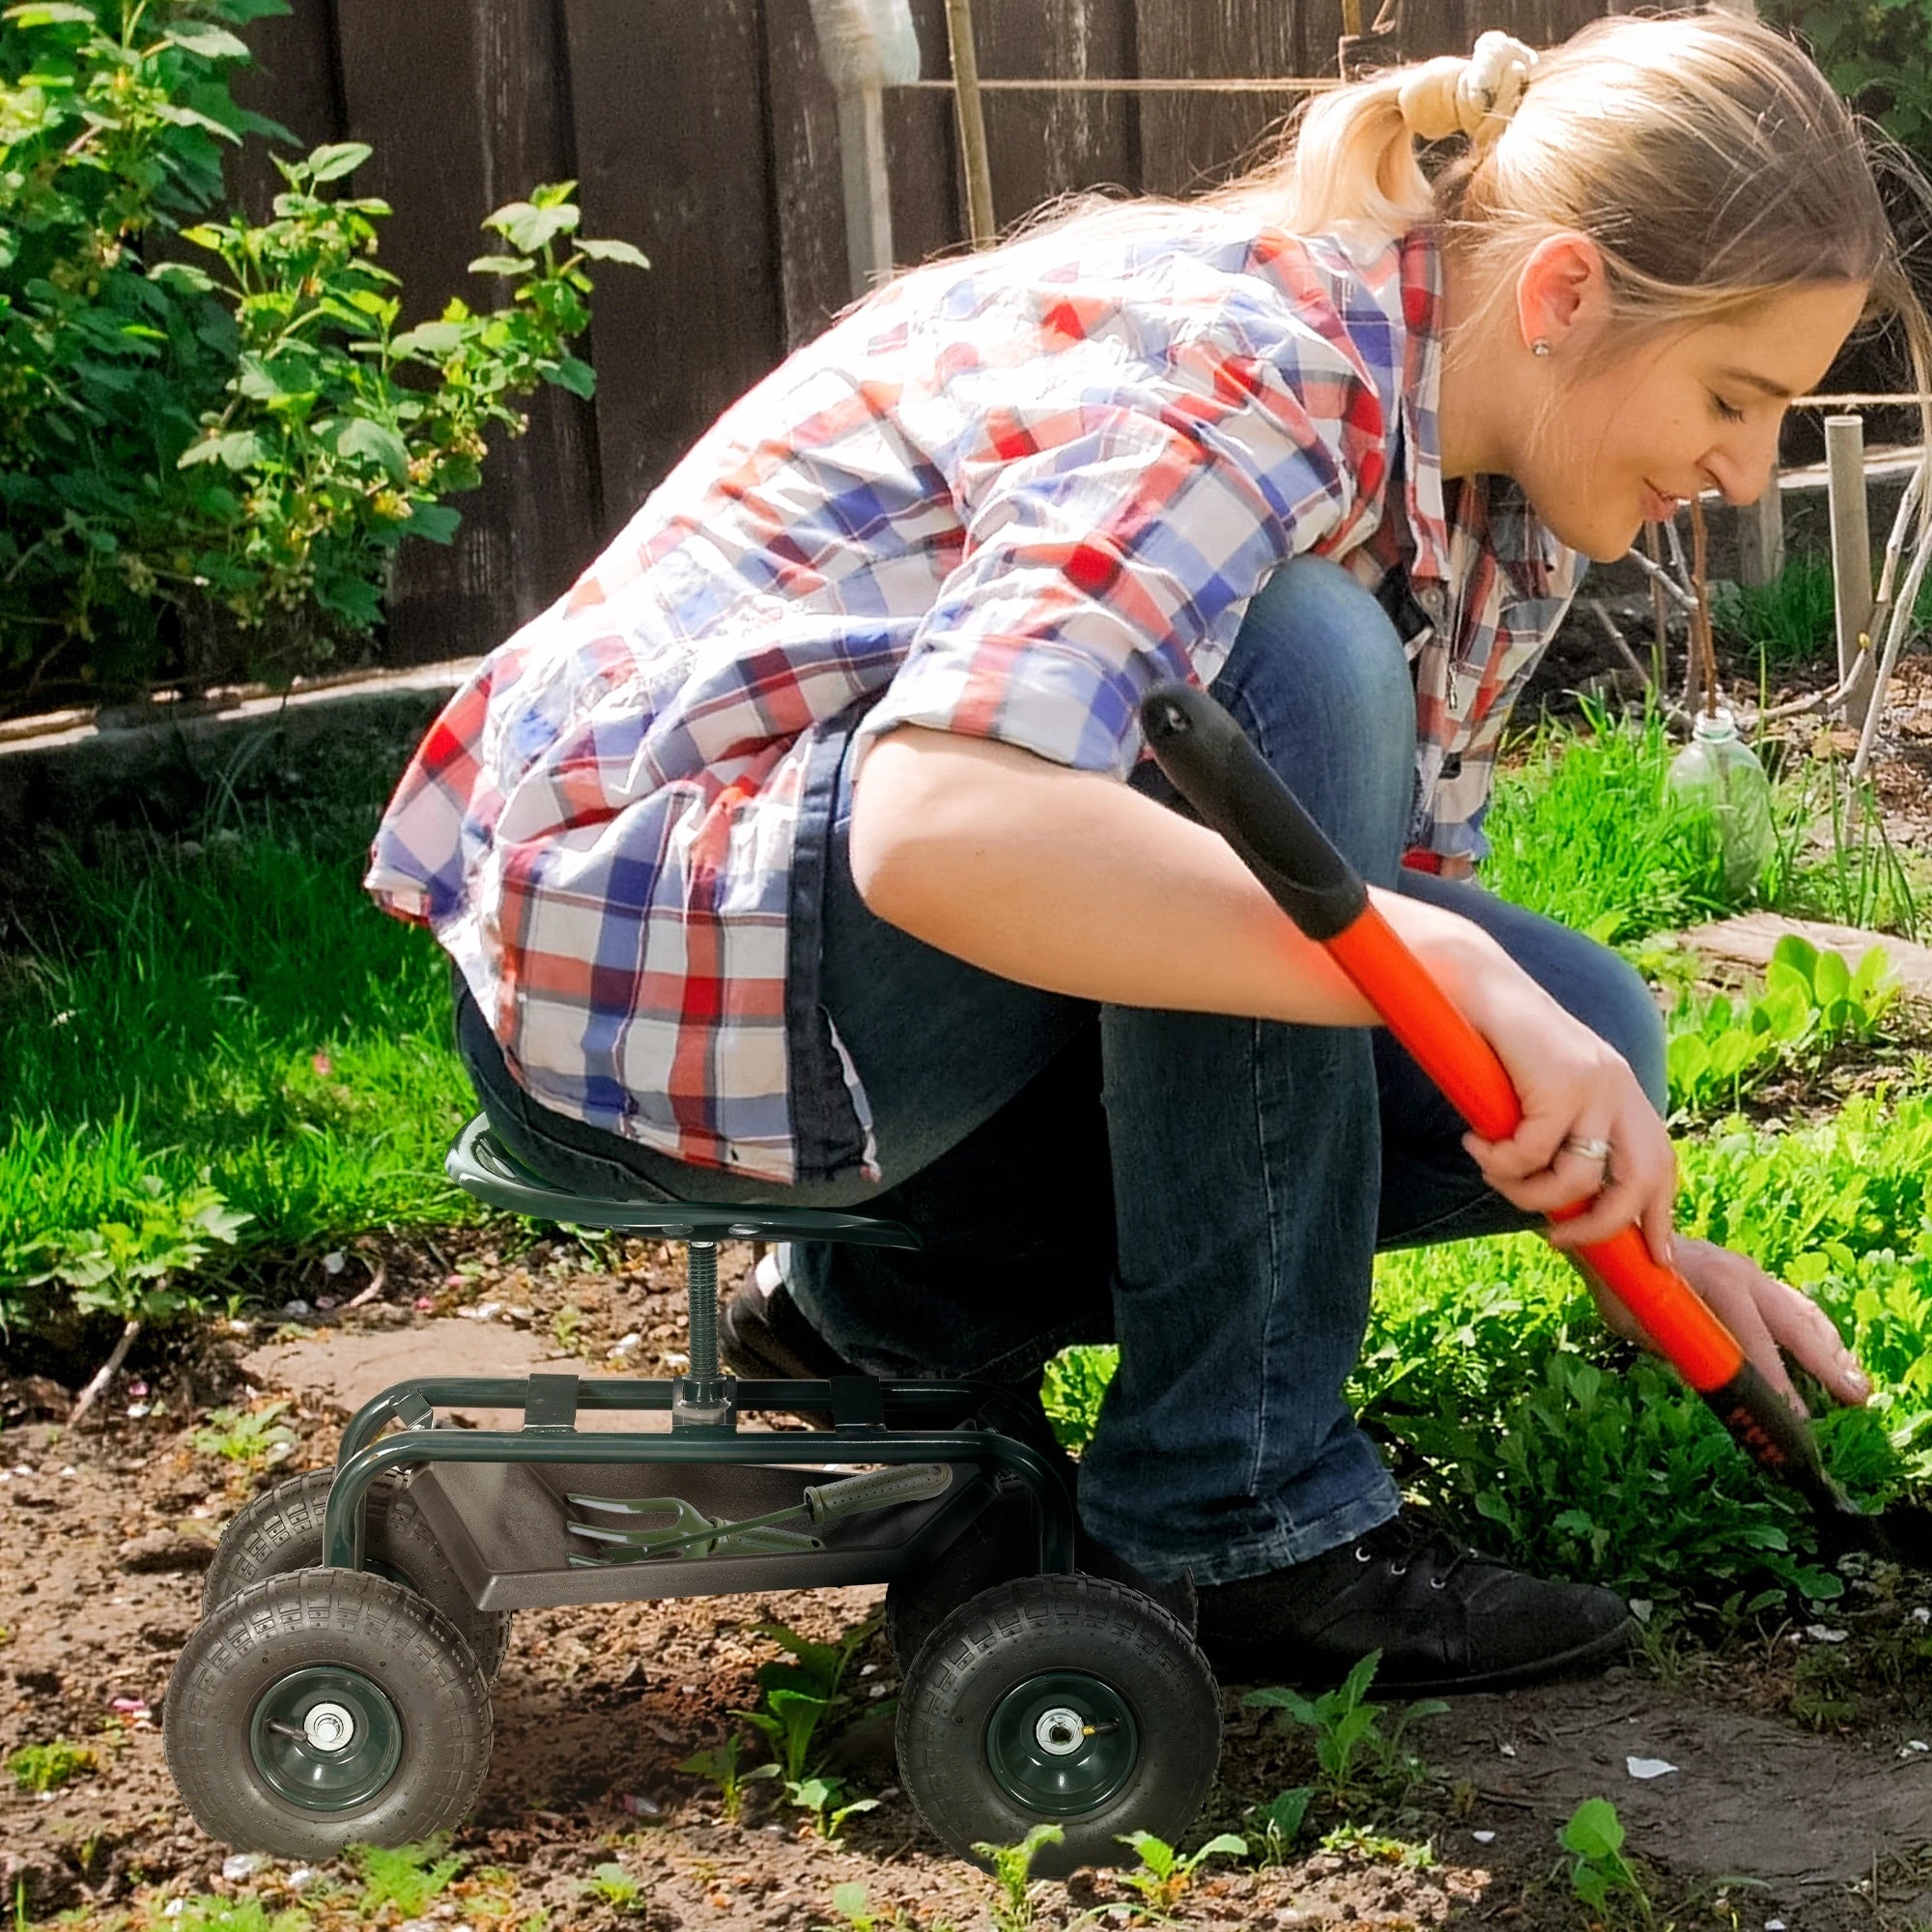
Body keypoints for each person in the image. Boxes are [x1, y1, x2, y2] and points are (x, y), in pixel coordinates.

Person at [367, 11, 1923, 1691]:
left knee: (1579, 1036)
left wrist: (1644, 1243)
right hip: (669, 961)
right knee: (1296, 663)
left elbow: (1374, 927)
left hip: (853, 988)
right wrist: (1449, 964)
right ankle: (1235, 1519)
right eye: (1734, 397)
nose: (1747, 468)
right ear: (1561, 298)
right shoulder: (1254, 366)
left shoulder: (1494, 495)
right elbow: (937, 825)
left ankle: (881, 1321)